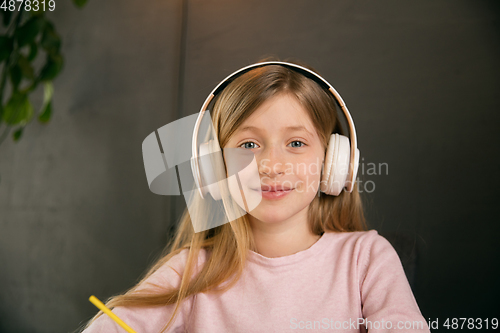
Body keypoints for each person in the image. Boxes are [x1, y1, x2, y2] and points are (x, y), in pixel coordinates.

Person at [80, 58, 429, 332]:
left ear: (334, 163)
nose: (271, 165)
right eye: (248, 144)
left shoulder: (365, 259)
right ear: (214, 167)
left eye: (296, 143)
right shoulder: (192, 269)